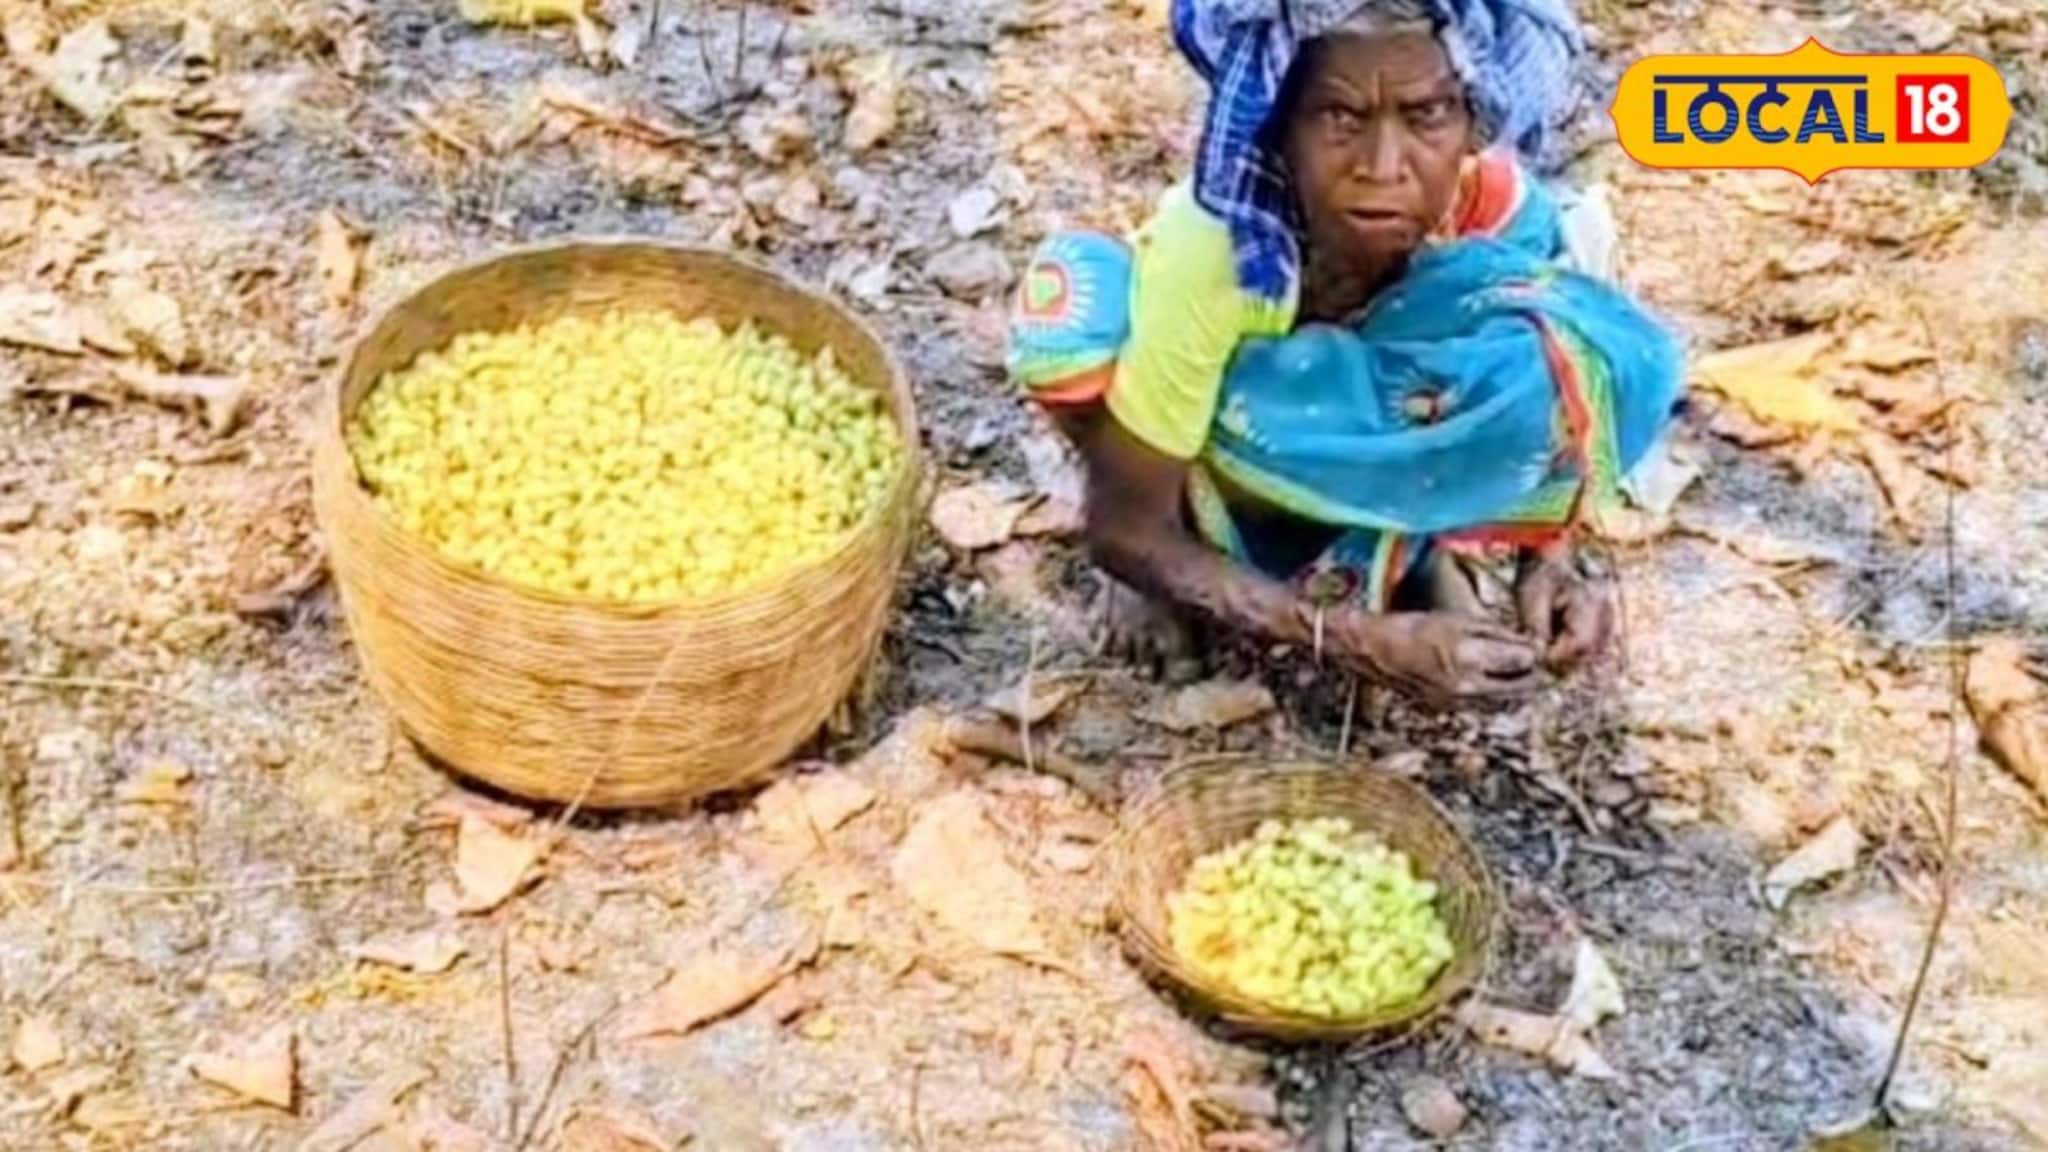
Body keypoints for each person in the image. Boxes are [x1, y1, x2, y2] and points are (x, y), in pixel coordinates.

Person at [1007, 0, 1683, 706]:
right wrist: (1352, 638)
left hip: (1371, 431)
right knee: (1070, 321)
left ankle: (1417, 556)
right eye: (1338, 117)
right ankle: (1176, 577)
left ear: (1471, 121)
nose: (1383, 167)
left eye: (1426, 116)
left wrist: (1548, 558)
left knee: (1545, 351)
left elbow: (1551, 412)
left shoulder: (1494, 218)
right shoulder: (1217, 254)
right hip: (1220, 450)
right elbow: (1122, 528)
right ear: (1279, 128)